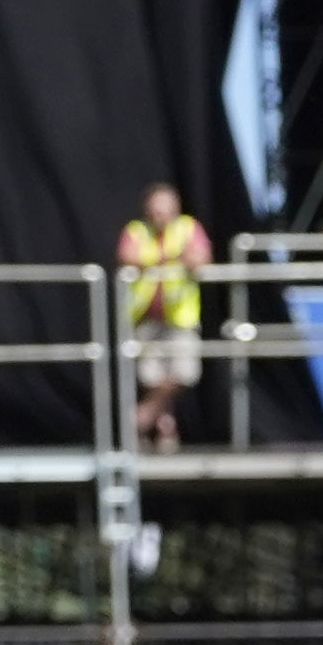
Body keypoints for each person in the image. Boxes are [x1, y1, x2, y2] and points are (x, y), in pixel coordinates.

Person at [112, 181, 209, 453]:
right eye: (155, 210)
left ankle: (141, 417)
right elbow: (127, 257)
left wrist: (161, 260)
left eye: (165, 210)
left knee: (184, 373)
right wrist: (170, 259)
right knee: (152, 377)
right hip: (145, 318)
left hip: (180, 318)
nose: (160, 216)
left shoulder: (189, 228)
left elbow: (200, 258)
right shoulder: (136, 230)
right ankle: (166, 429)